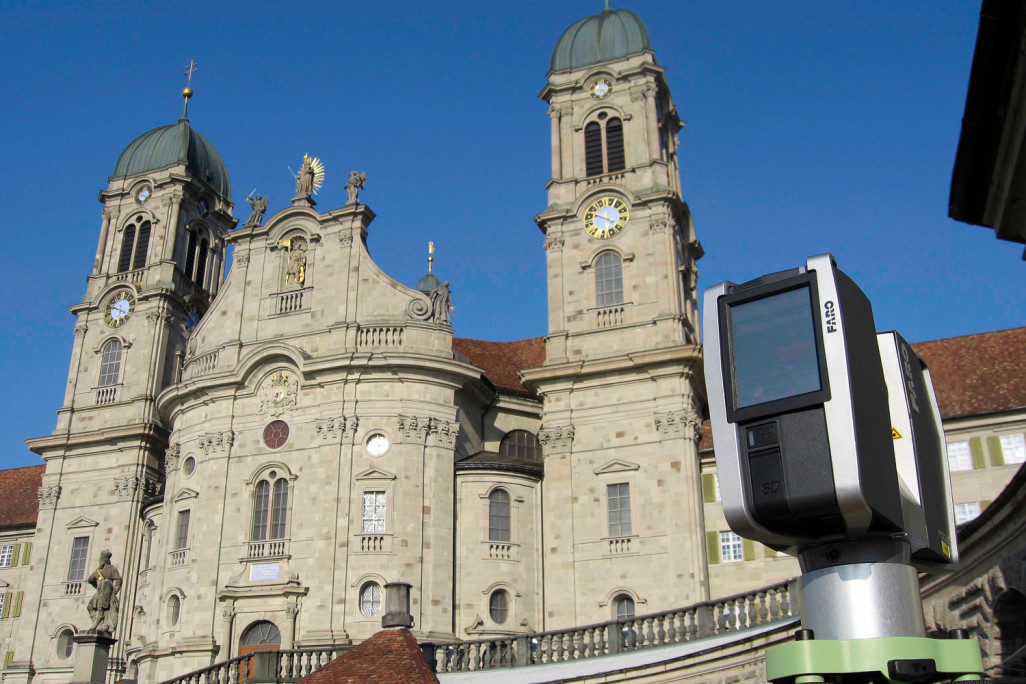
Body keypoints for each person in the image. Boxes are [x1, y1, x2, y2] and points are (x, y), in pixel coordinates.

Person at [87, 550, 123, 634]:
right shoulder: (99, 570)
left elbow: (118, 580)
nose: (100, 561)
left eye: (101, 560)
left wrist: (114, 593)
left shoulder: (111, 569)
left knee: (101, 607)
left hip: (106, 590)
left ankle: (96, 625)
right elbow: (90, 579)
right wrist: (97, 583)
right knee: (90, 606)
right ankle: (95, 623)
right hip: (99, 591)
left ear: (105, 560)